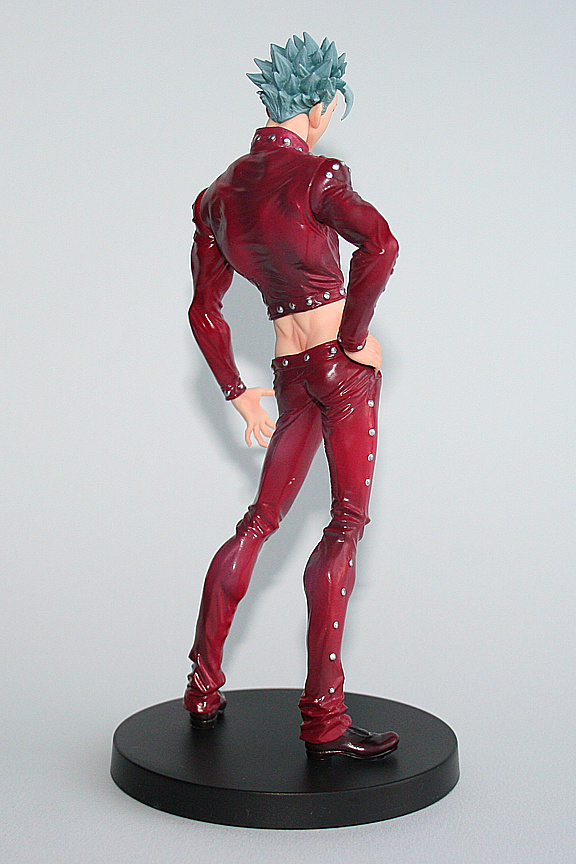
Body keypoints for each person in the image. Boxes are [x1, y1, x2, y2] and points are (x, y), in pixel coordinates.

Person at [184, 33, 400, 760]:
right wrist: (354, 335)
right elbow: (382, 244)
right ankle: (324, 722)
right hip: (339, 369)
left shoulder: (218, 196)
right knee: (345, 524)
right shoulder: (319, 174)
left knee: (258, 523)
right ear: (320, 105)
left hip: (286, 370)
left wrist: (237, 392)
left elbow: (205, 309)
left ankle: (202, 687)